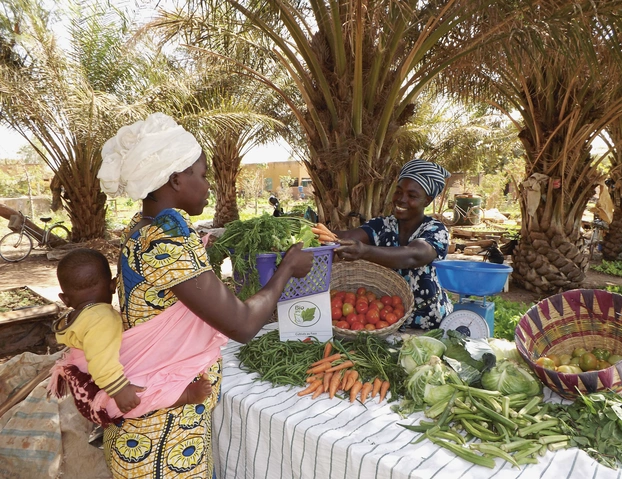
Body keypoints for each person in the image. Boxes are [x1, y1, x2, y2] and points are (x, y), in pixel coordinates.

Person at [94, 112, 313, 478]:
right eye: (203, 173)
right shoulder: (167, 242)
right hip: (161, 442)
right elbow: (242, 324)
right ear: (177, 179)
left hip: (157, 424)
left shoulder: (142, 228)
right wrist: (286, 270)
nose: (209, 184)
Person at [49, 248, 216, 426]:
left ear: (65, 299)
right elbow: (101, 360)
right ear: (113, 286)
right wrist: (119, 390)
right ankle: (186, 396)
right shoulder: (101, 318)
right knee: (139, 397)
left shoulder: (76, 317)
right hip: (102, 397)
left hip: (87, 384)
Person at [331, 159, 453, 330]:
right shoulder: (383, 225)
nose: (401, 199)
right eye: (398, 191)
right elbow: (349, 236)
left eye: (412, 196)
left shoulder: (436, 231)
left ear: (427, 200)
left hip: (428, 321)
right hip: (386, 320)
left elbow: (413, 255)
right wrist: (311, 232)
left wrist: (364, 251)